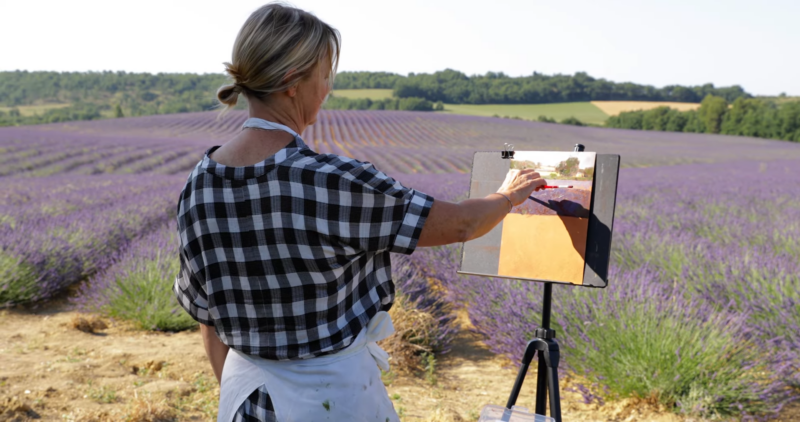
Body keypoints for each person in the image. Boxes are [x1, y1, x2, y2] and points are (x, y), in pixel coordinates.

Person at [173, 3, 546, 422]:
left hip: (246, 401)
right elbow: (461, 224)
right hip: (334, 403)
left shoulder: (198, 185)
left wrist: (244, 393)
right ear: (292, 82)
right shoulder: (330, 181)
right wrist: (510, 196)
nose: (327, 87)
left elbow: (207, 319)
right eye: (324, 72)